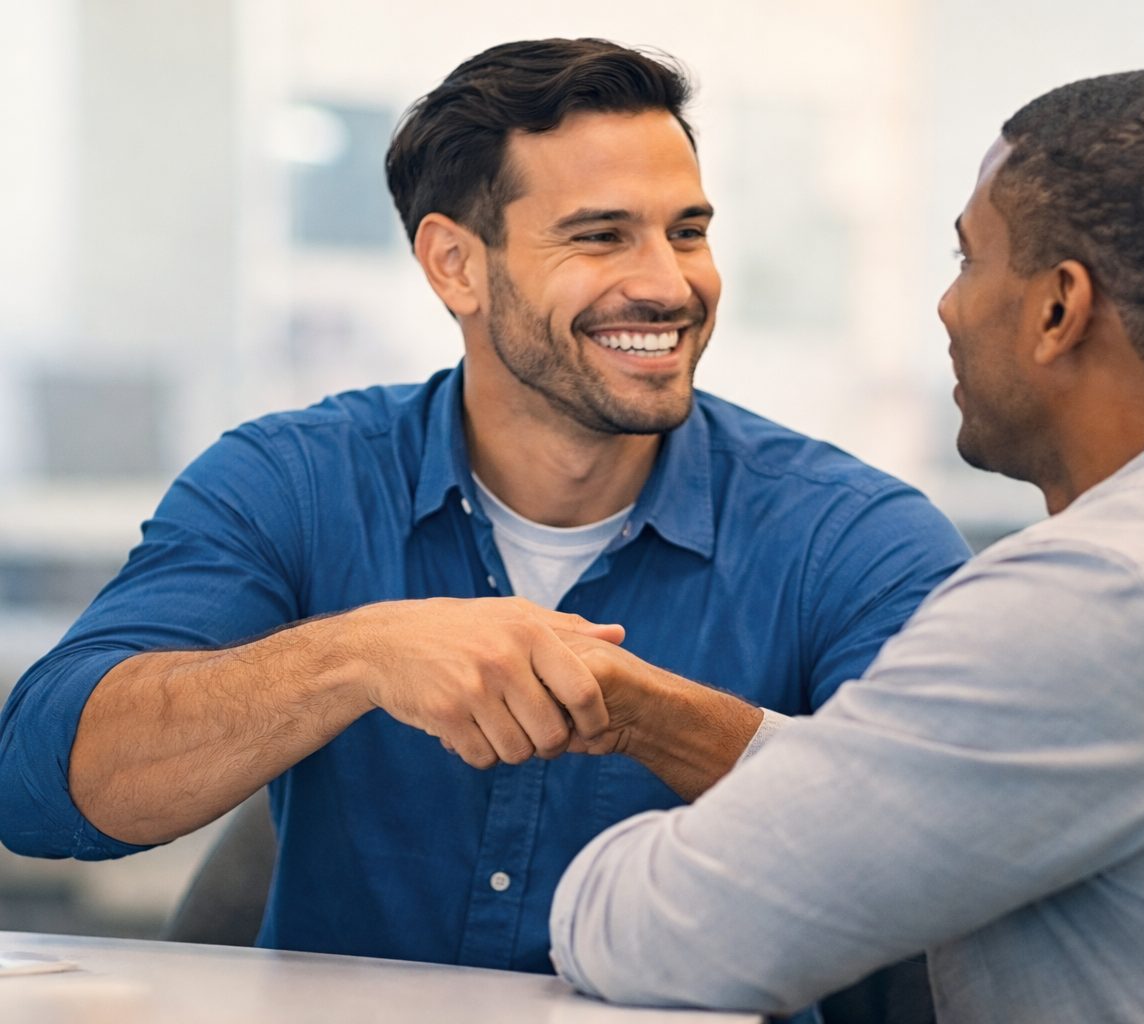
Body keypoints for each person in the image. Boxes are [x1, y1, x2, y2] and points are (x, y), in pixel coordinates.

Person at [547, 70, 1144, 1022]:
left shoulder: (1111, 589)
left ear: (1060, 308)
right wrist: (654, 715)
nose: (947, 308)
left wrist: (586, 861)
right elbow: (948, 782)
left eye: (968, 260)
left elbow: (656, 934)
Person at [0, 37, 970, 990]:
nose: (670, 284)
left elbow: (950, 850)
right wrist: (357, 655)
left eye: (687, 231)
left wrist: (648, 715)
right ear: (454, 264)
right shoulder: (293, 481)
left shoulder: (852, 537)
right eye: (600, 235)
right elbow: (38, 788)